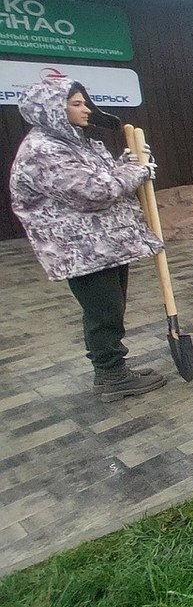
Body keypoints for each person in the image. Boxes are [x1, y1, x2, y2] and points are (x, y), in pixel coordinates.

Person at [8, 76, 166, 401]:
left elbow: (104, 178)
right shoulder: (42, 151)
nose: (87, 110)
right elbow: (93, 191)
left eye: (85, 102)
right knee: (103, 311)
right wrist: (137, 172)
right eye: (76, 104)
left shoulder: (74, 142)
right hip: (80, 249)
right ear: (53, 109)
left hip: (102, 244)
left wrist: (131, 161)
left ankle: (113, 367)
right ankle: (111, 375)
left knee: (111, 307)